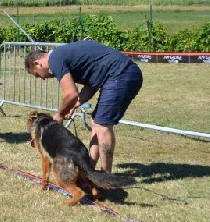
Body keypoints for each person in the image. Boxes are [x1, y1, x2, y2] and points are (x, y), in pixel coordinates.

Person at [24, 39, 143, 174]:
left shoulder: (55, 59)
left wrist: (59, 114)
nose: (43, 78)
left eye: (37, 75)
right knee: (96, 122)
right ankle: (89, 169)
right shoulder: (61, 55)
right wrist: (74, 106)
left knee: (102, 125)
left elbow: (70, 93)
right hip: (118, 74)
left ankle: (106, 176)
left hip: (121, 74)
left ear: (37, 63)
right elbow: (91, 85)